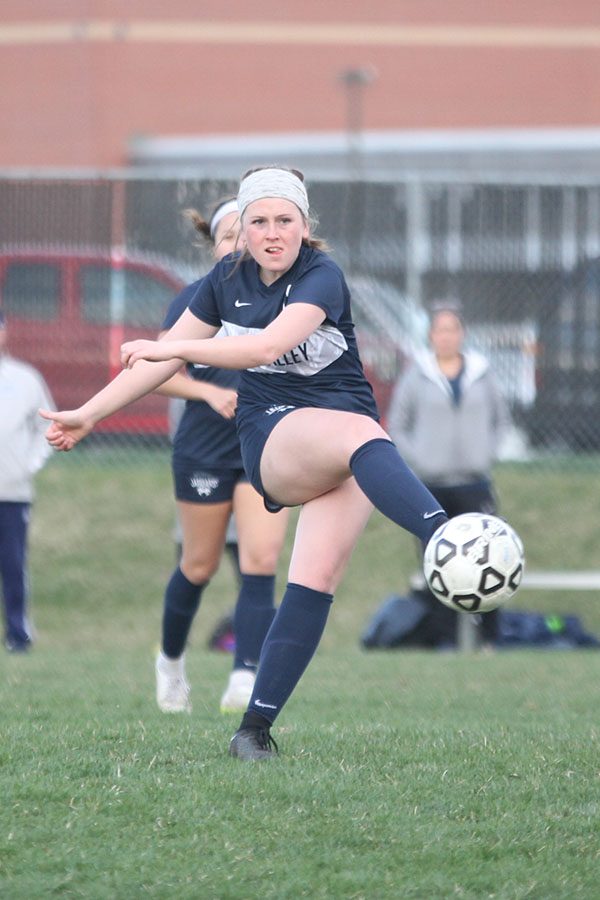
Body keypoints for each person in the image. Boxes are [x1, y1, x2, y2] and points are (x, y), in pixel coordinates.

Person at [40, 165, 449, 761]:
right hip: (273, 437)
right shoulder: (223, 280)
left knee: (315, 581)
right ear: (243, 229)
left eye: (285, 220)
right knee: (359, 435)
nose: (272, 232)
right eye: (259, 220)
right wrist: (89, 413)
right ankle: (445, 535)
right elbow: (154, 367)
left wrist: (175, 346)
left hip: (348, 448)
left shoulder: (323, 275)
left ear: (305, 227)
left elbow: (263, 346)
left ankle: (253, 730)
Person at [152, 198, 289, 714]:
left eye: (245, 233)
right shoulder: (194, 300)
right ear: (214, 246)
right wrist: (209, 394)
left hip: (263, 448)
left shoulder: (286, 301)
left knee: (260, 561)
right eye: (227, 236)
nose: (237, 244)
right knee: (198, 565)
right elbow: (159, 370)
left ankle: (244, 676)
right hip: (204, 449)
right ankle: (170, 665)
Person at [387, 303, 512, 647]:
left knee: (489, 559)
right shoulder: (417, 375)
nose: (446, 336)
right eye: (440, 330)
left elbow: (501, 420)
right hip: (431, 486)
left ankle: (490, 640)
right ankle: (443, 642)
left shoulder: (482, 374)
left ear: (462, 334)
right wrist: (421, 459)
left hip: (474, 483)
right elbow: (398, 424)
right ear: (431, 335)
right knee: (439, 564)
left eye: (452, 329)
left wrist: (486, 452)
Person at [0, 310, 55, 652]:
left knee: (13, 563)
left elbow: (46, 426)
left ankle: (18, 634)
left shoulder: (24, 378)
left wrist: (29, 464)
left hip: (13, 491)